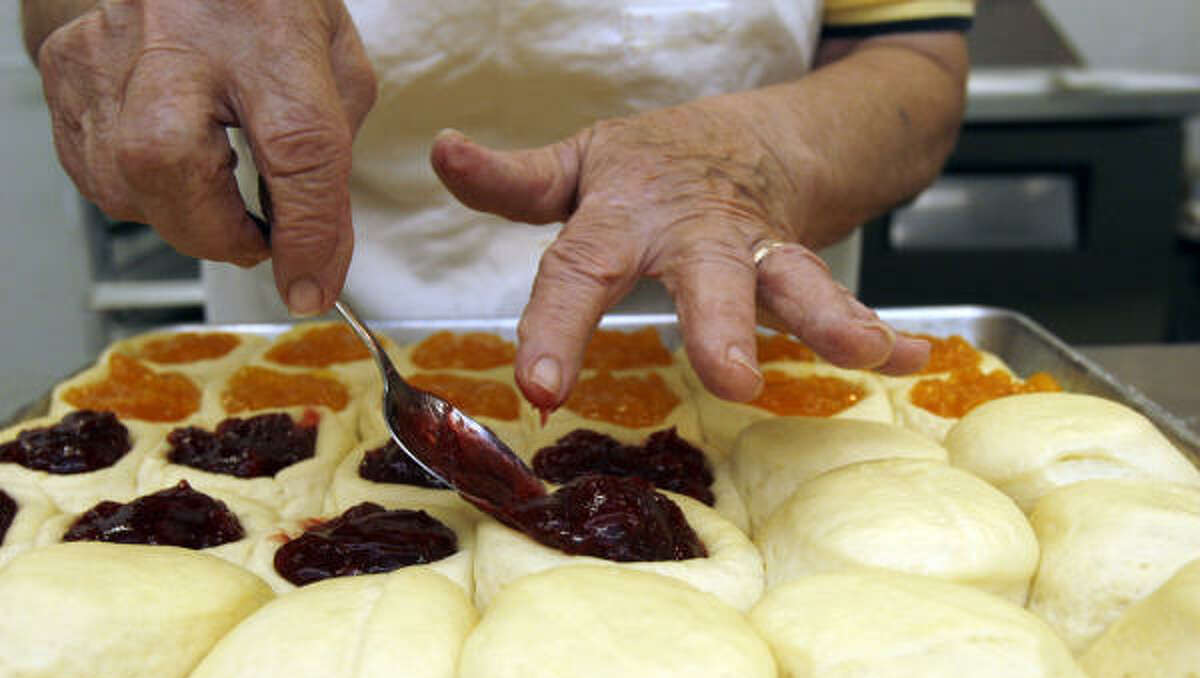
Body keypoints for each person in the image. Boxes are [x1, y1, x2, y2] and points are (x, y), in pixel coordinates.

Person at [21, 0, 972, 412]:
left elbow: (917, 67)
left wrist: (747, 157)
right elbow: (67, 13)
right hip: (313, 351)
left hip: (739, 350)